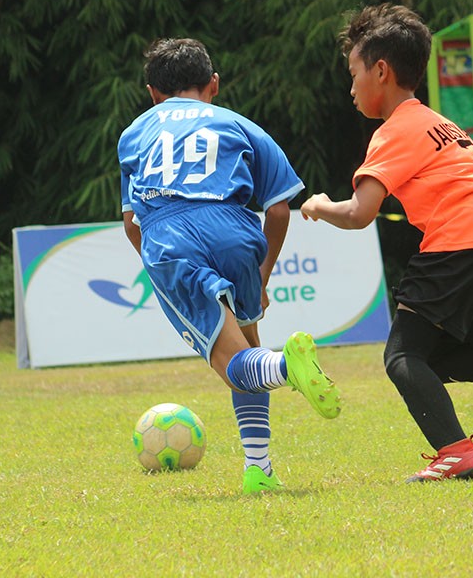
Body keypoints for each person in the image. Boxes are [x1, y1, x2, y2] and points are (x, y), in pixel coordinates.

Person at [299, 3, 473, 483]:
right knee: (439, 357)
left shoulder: (395, 130)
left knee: (402, 356)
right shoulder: (438, 122)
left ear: (381, 71)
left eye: (353, 73)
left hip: (463, 239)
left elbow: (360, 213)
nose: (351, 88)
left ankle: (456, 452)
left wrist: (319, 204)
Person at [118, 38, 340, 495]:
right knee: (248, 343)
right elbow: (279, 210)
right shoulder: (241, 124)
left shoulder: (135, 132)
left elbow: (131, 222)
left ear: (152, 92)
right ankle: (258, 468)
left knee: (233, 361)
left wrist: (164, 269)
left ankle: (286, 368)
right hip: (237, 229)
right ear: (213, 84)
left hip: (170, 232)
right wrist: (262, 274)